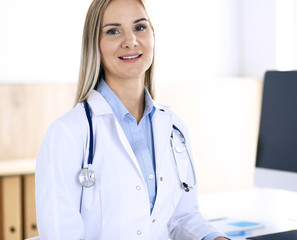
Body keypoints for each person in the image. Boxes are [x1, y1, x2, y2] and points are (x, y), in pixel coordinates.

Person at [35, 0, 230, 239]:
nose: (131, 41)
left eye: (139, 27)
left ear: (153, 36)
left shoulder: (174, 128)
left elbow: (182, 218)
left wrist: (215, 237)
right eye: (113, 31)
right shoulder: (67, 133)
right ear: (94, 45)